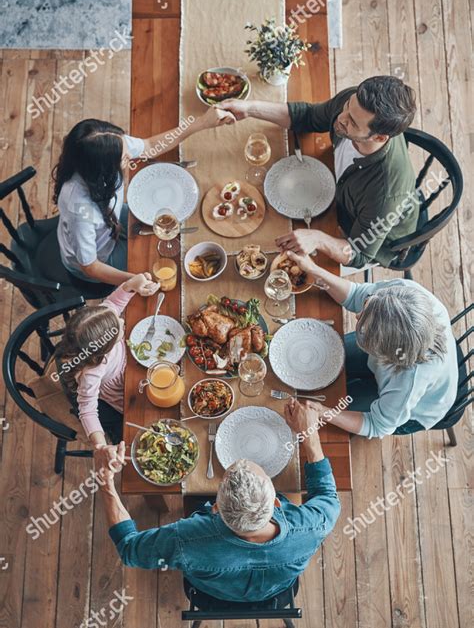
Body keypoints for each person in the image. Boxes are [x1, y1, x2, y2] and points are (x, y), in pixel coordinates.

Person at [98, 400, 340, 603]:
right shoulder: (310, 526)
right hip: (277, 589)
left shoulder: (186, 539)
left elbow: (129, 549)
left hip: (210, 591)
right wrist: (309, 433)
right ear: (276, 503)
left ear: (214, 508)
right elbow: (328, 496)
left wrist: (106, 481)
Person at [220, 75, 420, 269]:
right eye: (347, 107)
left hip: (365, 235)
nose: (341, 118)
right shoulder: (355, 104)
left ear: (379, 138)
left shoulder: (385, 193)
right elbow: (308, 116)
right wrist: (249, 108)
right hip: (339, 190)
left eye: (352, 122)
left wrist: (319, 238)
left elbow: (359, 254)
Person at [282, 251, 458, 438]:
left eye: (364, 324)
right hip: (394, 356)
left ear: (382, 347)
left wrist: (324, 411)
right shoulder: (403, 293)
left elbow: (377, 425)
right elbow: (356, 294)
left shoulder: (409, 382)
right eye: (367, 305)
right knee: (319, 358)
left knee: (330, 406)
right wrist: (314, 270)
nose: (357, 315)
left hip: (415, 409)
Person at [53, 108, 235, 285]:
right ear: (103, 170)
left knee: (166, 224)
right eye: (125, 159)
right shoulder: (79, 209)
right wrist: (134, 280)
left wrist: (202, 122)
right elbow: (90, 267)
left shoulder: (107, 146)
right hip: (100, 258)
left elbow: (149, 146)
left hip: (110, 221)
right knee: (160, 266)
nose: (130, 157)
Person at [54, 273, 159, 466]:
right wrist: (101, 446)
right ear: (105, 349)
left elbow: (114, 303)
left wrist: (130, 285)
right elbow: (87, 410)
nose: (121, 322)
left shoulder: (100, 320)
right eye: (118, 328)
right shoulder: (91, 372)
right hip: (124, 391)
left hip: (134, 363)